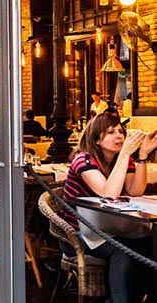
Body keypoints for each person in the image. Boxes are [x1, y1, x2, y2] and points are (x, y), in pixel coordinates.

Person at [62, 113, 157, 303]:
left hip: (109, 228)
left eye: (121, 131)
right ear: (96, 139)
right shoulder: (84, 160)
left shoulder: (122, 160)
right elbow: (108, 193)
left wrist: (142, 156)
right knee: (121, 251)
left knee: (149, 244)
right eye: (111, 132)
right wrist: (125, 153)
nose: (119, 136)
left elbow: (135, 191)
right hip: (77, 233)